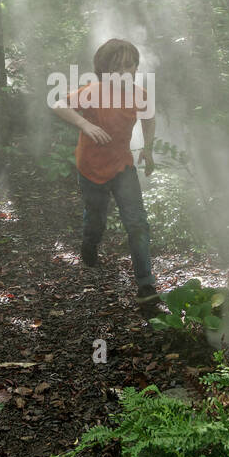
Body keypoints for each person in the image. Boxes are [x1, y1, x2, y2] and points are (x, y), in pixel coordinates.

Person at [50, 38, 159, 304]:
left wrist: (148, 148)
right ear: (104, 71)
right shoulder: (93, 91)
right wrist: (85, 125)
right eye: (117, 68)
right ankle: (89, 245)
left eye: (130, 66)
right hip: (91, 167)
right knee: (96, 219)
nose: (125, 72)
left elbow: (149, 117)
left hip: (123, 166)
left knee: (137, 223)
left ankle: (146, 285)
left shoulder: (140, 94)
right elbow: (58, 103)